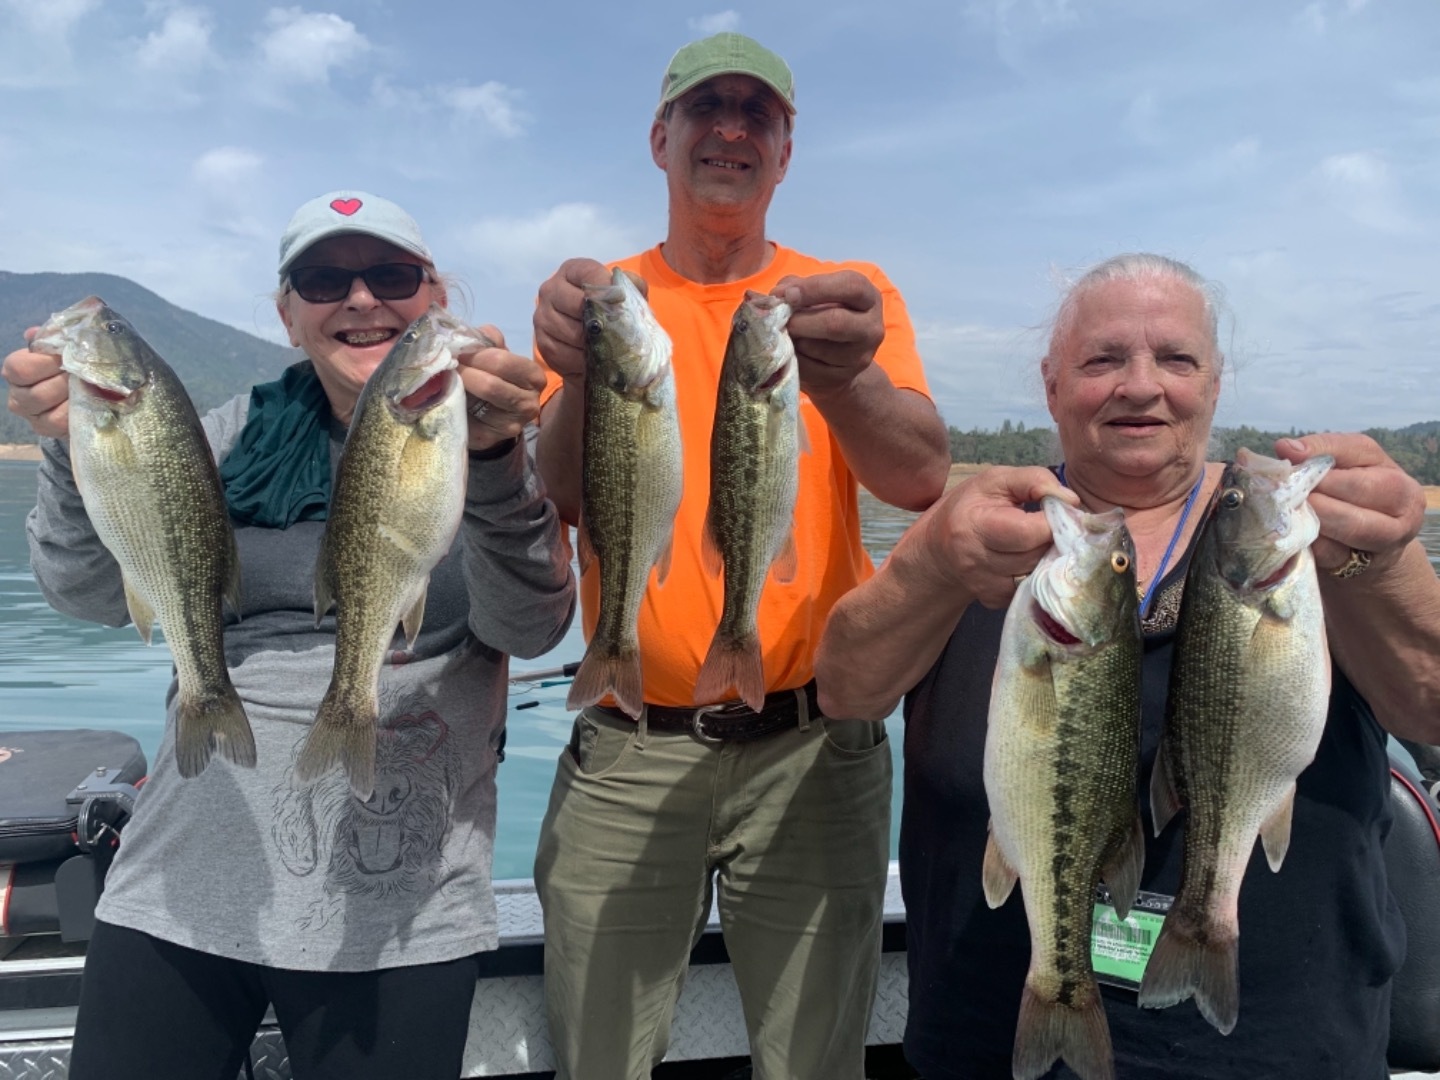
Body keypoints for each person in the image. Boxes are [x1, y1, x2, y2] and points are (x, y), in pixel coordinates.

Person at [815, 252, 1440, 1080]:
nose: (1141, 386)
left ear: (1215, 384)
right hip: (985, 1037)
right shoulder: (981, 532)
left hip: (1282, 1047)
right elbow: (846, 689)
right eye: (1103, 359)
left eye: (1175, 360)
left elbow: (1430, 708)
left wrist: (1385, 565)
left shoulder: (1315, 542)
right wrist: (929, 560)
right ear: (1051, 384)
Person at [0, 190, 575, 1080]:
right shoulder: (217, 437)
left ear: (435, 298)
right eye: (323, 278)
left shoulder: (490, 432)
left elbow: (533, 628)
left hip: (398, 904)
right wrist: (76, 457)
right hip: (180, 878)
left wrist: (498, 464)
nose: (359, 299)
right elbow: (86, 596)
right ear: (287, 312)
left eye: (390, 275)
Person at [529, 32, 951, 1080]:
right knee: (599, 1058)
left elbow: (920, 478)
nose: (728, 130)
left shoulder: (848, 300)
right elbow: (566, 493)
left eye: (755, 114)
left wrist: (846, 382)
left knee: (815, 1062)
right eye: (704, 108)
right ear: (659, 136)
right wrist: (580, 373)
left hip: (814, 750)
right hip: (628, 745)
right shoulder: (603, 301)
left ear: (786, 149)